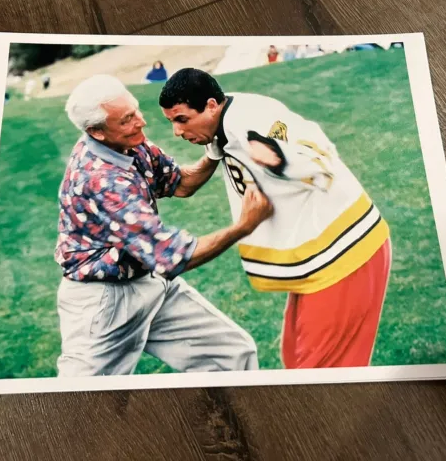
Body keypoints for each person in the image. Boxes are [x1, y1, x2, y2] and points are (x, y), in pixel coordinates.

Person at [159, 68, 392, 369]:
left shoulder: (252, 120)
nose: (176, 131)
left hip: (345, 255)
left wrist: (280, 159)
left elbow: (320, 155)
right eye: (172, 122)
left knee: (319, 376)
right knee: (295, 359)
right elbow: (188, 182)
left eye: (182, 119)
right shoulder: (222, 126)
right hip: (320, 259)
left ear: (211, 106)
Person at [54, 74, 273, 377]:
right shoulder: (101, 180)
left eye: (136, 110)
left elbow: (181, 183)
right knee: (84, 403)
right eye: (128, 119)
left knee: (232, 354)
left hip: (149, 282)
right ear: (97, 132)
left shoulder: (129, 144)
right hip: (104, 302)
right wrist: (243, 227)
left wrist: (213, 149)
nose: (141, 122)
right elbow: (173, 256)